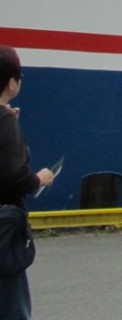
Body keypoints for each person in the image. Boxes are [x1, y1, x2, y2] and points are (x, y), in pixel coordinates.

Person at [0, 46, 56, 319]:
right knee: (13, 306)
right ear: (11, 83)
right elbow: (14, 175)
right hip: (3, 227)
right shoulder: (5, 121)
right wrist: (40, 179)